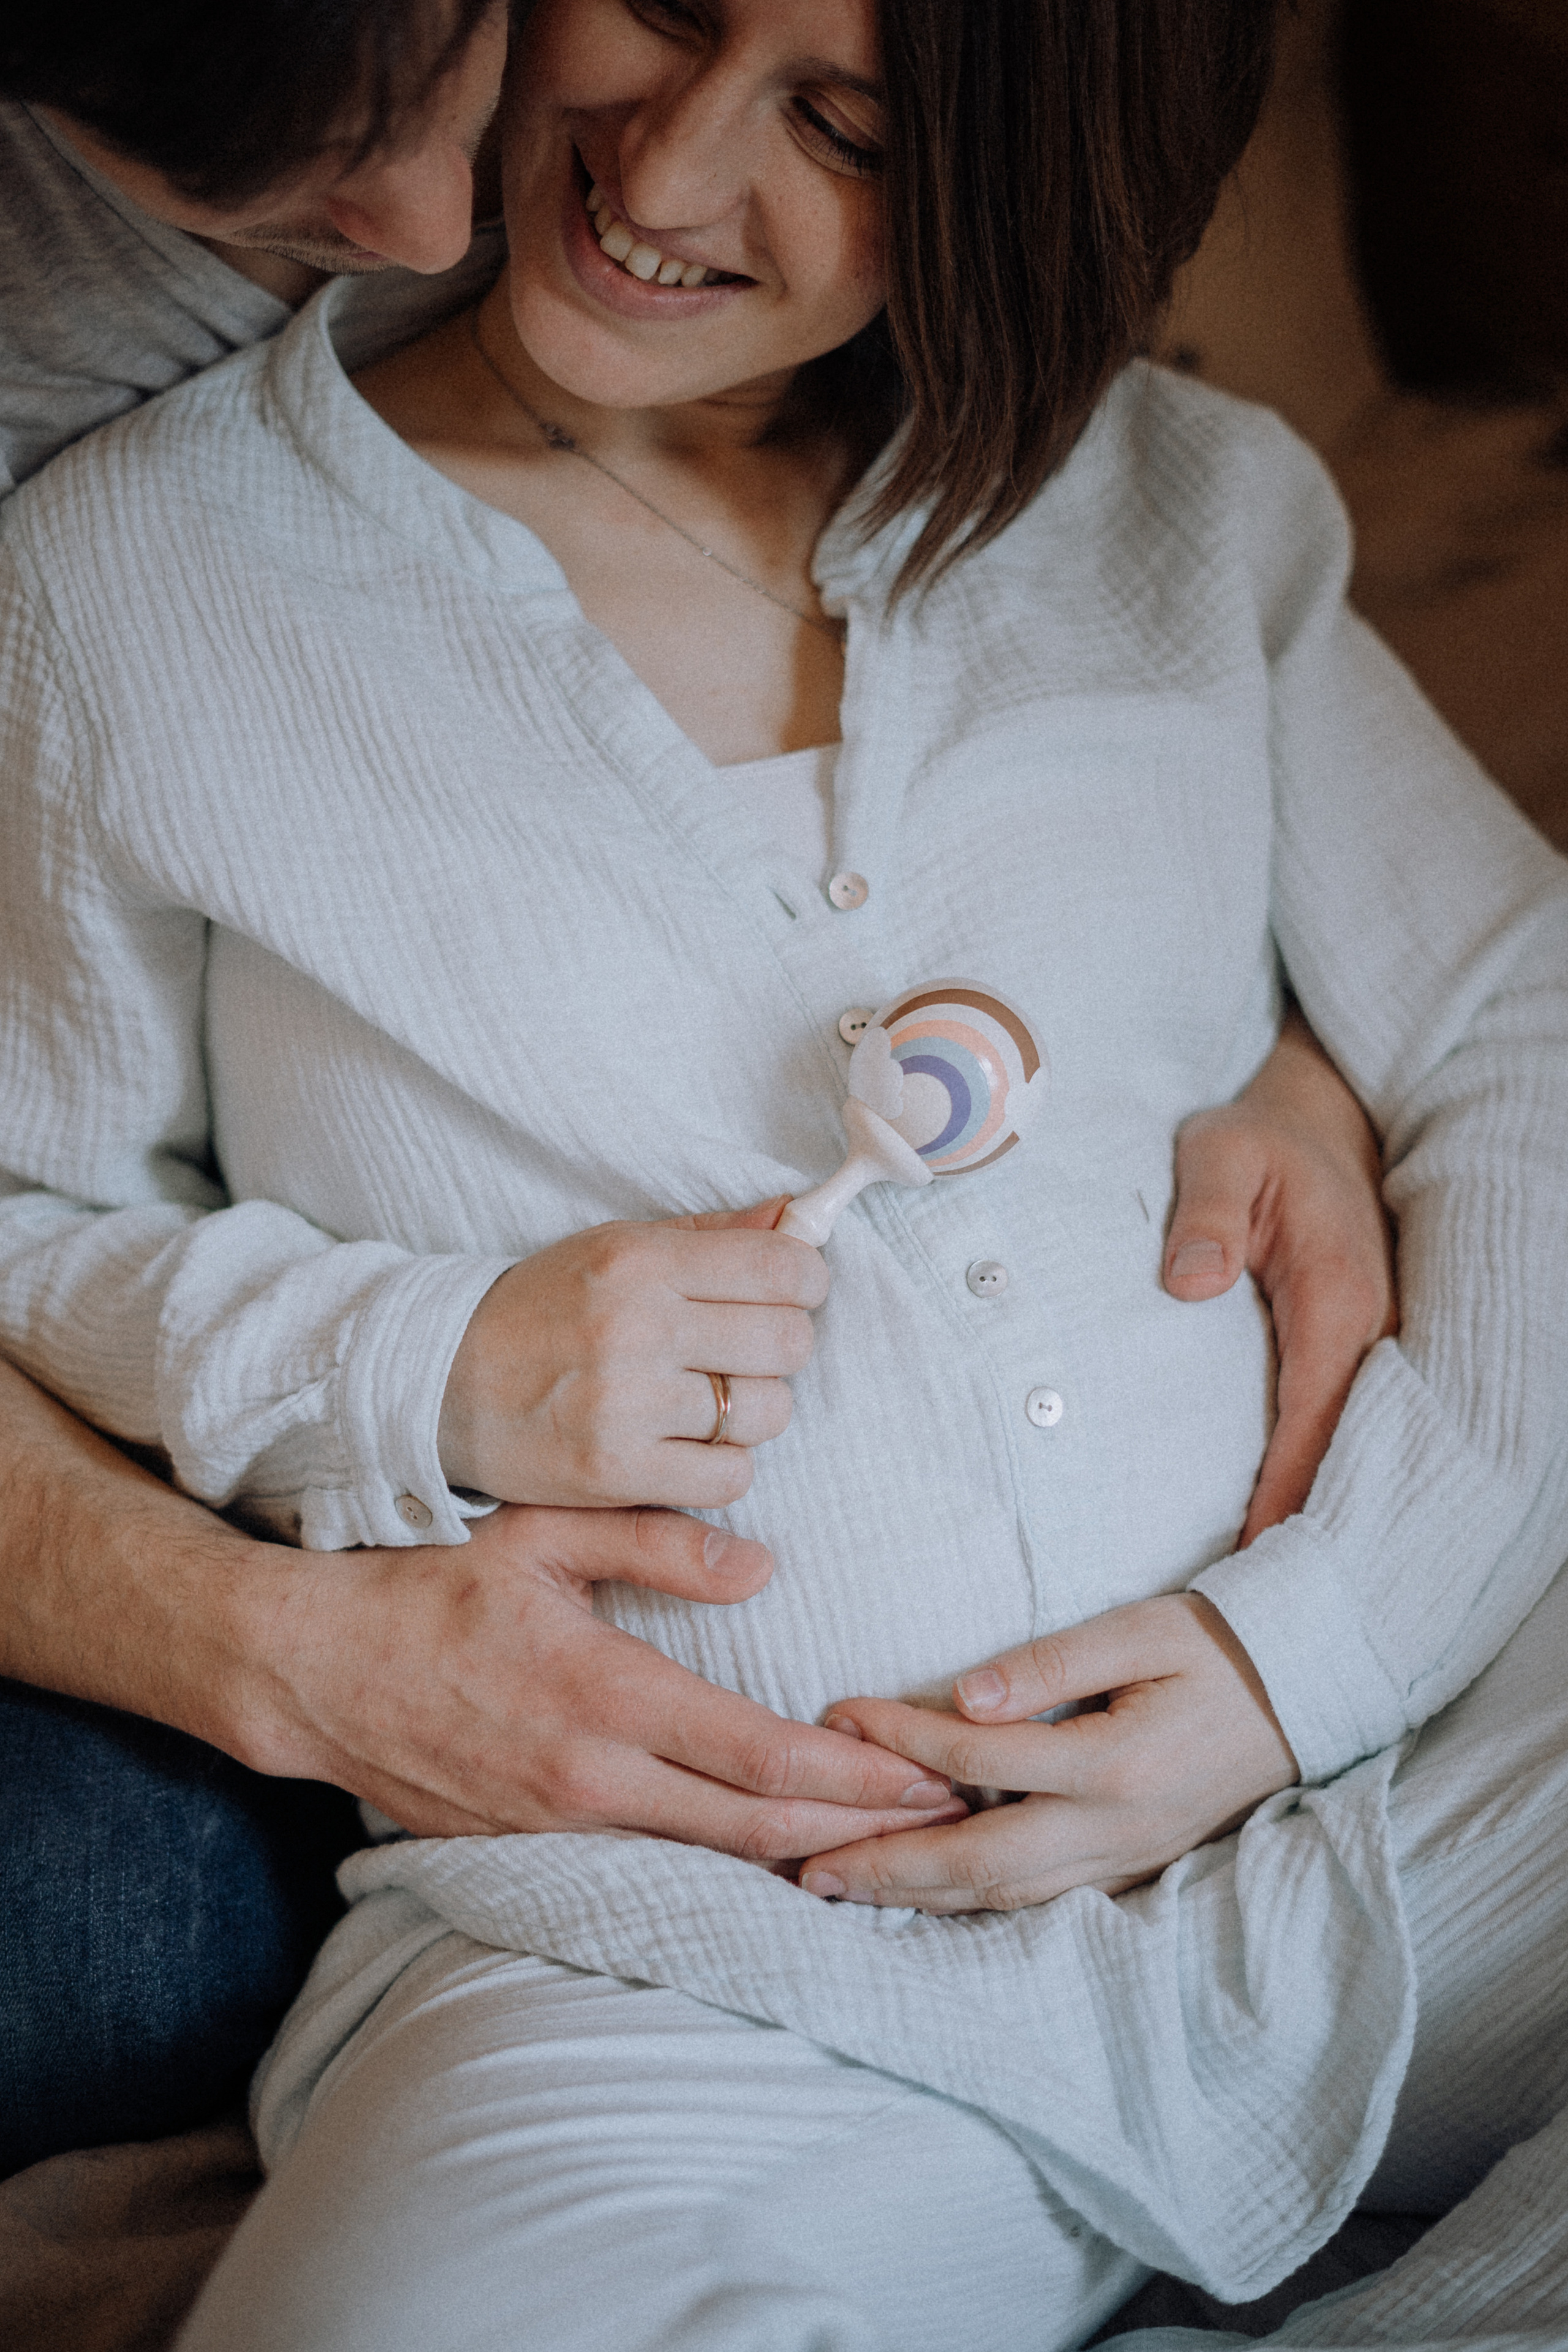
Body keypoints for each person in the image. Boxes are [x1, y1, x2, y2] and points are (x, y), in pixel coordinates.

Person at [4, 2, 1564, 2342]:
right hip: (707, 1966)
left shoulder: (1181, 506)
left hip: (1422, 1810)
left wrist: (1312, 1650)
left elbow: (1522, 1023)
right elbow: (21, 1218)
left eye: (838, 126)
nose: (666, 167)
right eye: (649, 2)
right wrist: (421, 1365)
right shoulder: (135, 583)